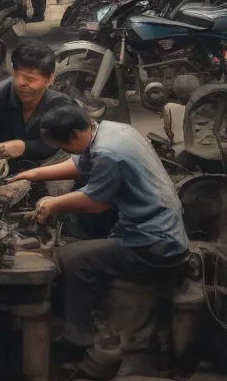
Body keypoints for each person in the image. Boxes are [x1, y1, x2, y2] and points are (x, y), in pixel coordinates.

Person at [12, 103, 189, 348]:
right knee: (83, 245)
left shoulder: (108, 154)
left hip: (155, 243)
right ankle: (98, 313)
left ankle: (79, 340)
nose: (65, 150)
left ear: (75, 134)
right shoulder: (111, 130)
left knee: (70, 258)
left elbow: (94, 203)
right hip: (155, 225)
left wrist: (52, 204)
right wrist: (31, 174)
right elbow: (78, 164)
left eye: (64, 146)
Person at [0, 40, 70, 202]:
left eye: (29, 78)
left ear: (49, 79)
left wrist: (23, 147)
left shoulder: (60, 103)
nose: (21, 83)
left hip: (47, 169)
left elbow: (64, 144)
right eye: (16, 75)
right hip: (6, 172)